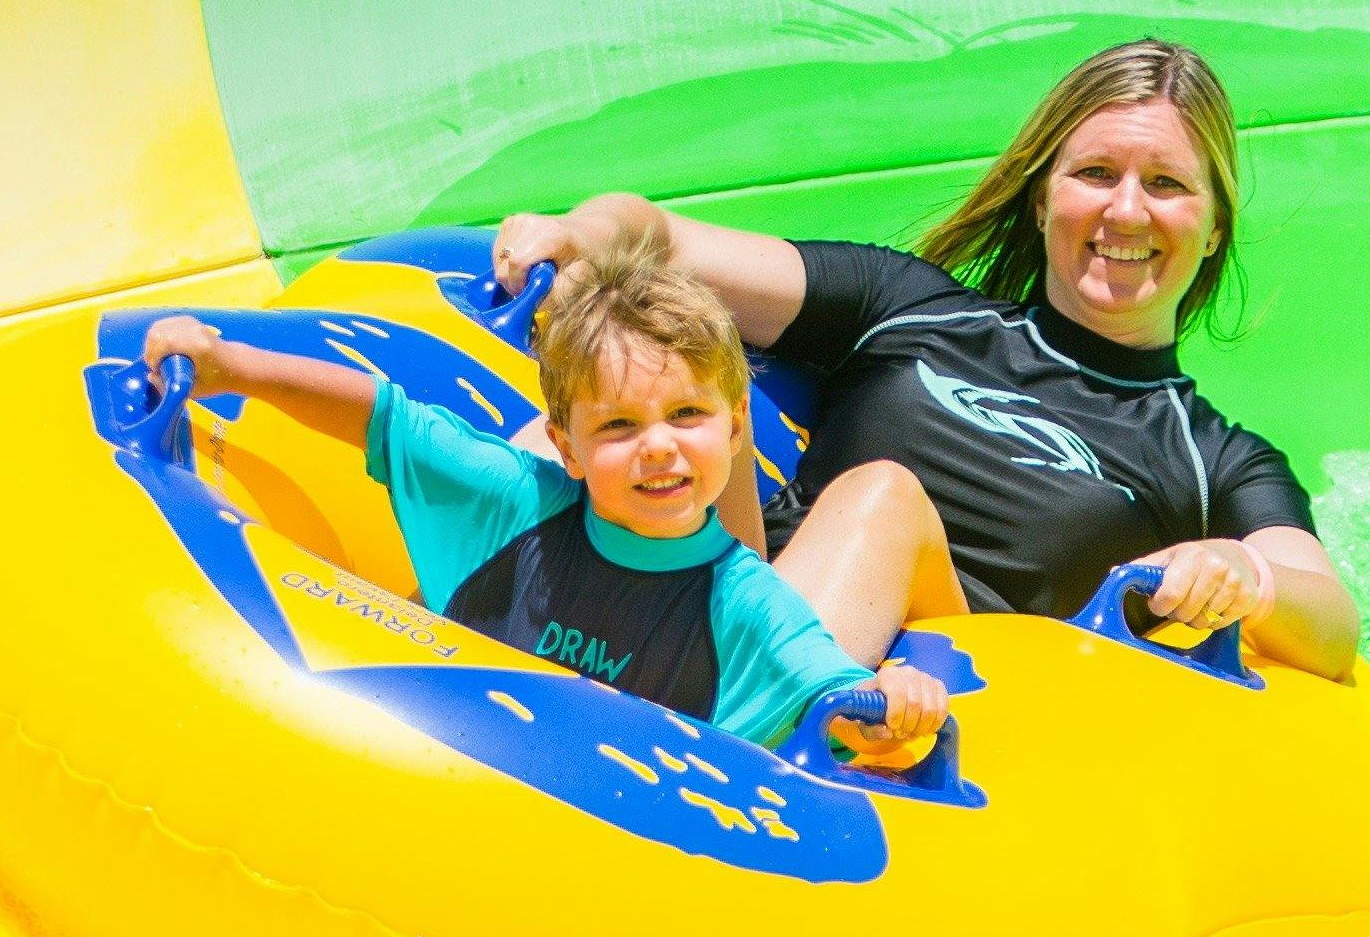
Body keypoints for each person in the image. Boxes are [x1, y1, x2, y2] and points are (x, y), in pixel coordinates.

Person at [490, 39, 1361, 681]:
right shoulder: (902, 304)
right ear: (1042, 197)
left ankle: (722, 706)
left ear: (1213, 232)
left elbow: (1330, 624)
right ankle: (472, 631)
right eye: (1095, 173)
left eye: (1167, 186)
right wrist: (577, 235)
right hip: (735, 595)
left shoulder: (1214, 460)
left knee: (883, 502)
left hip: (922, 697)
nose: (1125, 212)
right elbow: (657, 237)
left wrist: (1239, 573)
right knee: (628, 409)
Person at [141, 232, 950, 764]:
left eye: (689, 416)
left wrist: (902, 701)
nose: (660, 444)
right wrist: (229, 365)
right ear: (565, 444)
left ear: (737, 429)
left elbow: (831, 696)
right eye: (621, 425)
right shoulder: (518, 501)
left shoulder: (746, 605)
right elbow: (381, 415)